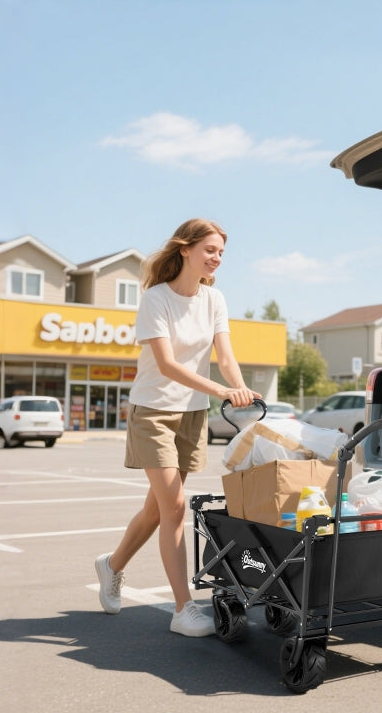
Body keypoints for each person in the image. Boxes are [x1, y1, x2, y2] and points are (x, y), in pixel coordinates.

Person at [94, 218, 260, 637]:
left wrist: (240, 388)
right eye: (210, 249)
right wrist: (221, 390)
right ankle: (183, 609)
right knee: (175, 507)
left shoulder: (214, 299)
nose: (216, 258)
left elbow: (226, 356)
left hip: (191, 414)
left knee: (158, 509)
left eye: (221, 252)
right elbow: (167, 365)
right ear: (185, 249)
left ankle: (112, 565)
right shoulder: (156, 299)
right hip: (152, 411)